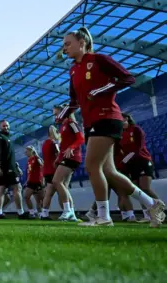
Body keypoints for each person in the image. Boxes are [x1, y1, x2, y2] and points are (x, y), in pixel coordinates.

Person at [57, 26, 164, 227]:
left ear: (82, 43)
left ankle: (104, 217)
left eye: (68, 43)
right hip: (91, 122)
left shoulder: (98, 60)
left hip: (107, 118)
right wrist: (62, 114)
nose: (64, 48)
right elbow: (74, 101)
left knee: (92, 166)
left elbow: (128, 78)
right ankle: (152, 203)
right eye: (63, 45)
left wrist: (101, 90)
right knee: (109, 171)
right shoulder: (73, 69)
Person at [121, 112, 158, 223]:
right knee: (138, 190)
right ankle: (147, 215)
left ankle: (160, 207)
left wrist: (128, 157)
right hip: (132, 164)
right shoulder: (121, 134)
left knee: (145, 187)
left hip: (143, 160)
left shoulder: (136, 129)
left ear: (126, 118)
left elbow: (139, 147)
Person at [52, 105, 83, 222]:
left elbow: (80, 138)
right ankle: (72, 214)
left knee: (56, 181)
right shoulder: (63, 126)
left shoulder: (71, 123)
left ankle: (67, 211)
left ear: (63, 112)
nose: (55, 116)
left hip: (72, 157)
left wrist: (72, 148)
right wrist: (58, 159)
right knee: (63, 185)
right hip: (65, 157)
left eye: (56, 114)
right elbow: (63, 146)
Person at [0, 120, 27, 219]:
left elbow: (10, 156)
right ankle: (20, 213)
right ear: (0, 127)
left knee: (2, 190)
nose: (6, 127)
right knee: (17, 188)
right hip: (6, 168)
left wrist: (16, 167)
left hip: (11, 167)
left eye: (7, 126)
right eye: (4, 126)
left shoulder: (8, 138)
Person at [39, 125, 63, 220]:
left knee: (49, 193)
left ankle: (44, 214)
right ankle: (67, 212)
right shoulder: (53, 143)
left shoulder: (45, 143)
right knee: (62, 192)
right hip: (54, 171)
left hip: (47, 171)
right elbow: (59, 156)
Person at [23, 146, 45, 219]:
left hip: (38, 182)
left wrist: (37, 155)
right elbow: (30, 172)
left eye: (26, 151)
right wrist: (27, 181)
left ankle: (41, 214)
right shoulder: (29, 160)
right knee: (26, 196)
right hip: (31, 182)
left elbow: (42, 164)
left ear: (31, 151)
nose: (25, 153)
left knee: (40, 200)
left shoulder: (36, 158)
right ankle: (32, 213)